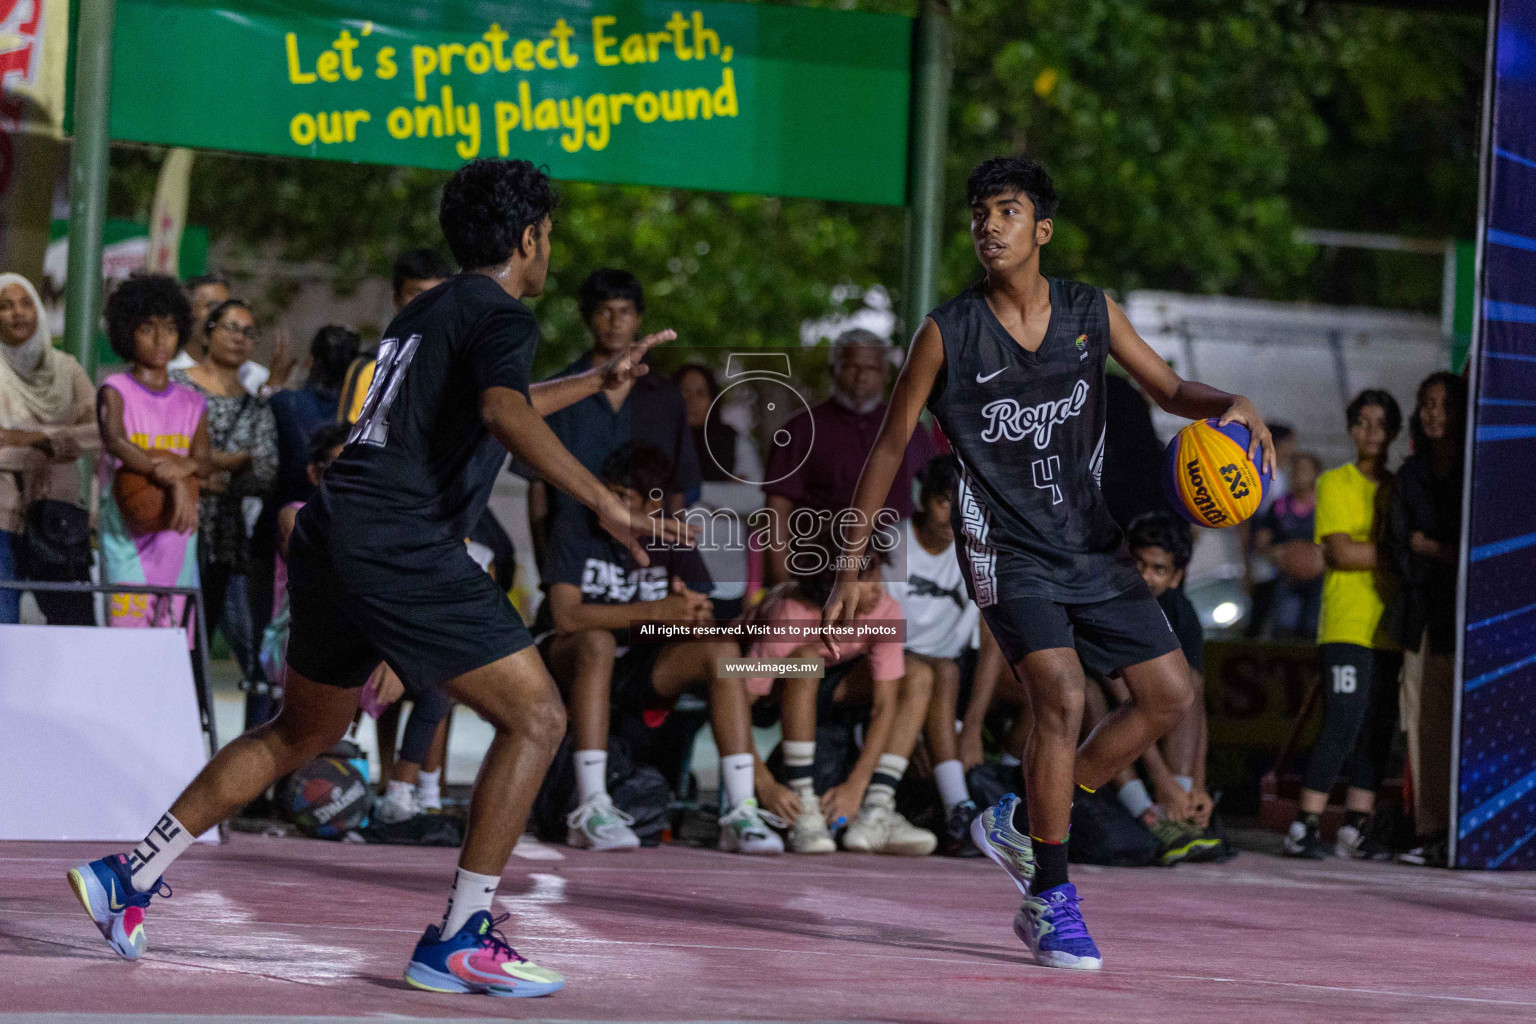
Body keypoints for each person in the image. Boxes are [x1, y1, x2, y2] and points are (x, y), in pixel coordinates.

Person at [67, 158, 685, 998]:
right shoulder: (503, 313)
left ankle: (128, 875)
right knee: (539, 716)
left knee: (299, 733)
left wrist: (593, 382)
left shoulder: (428, 309)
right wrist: (605, 505)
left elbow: (494, 400)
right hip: (399, 539)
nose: (549, 253)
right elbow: (503, 411)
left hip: (334, 531)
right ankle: (460, 936)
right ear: (529, 236)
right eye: (549, 237)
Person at [822, 156, 1274, 970]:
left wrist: (1226, 404)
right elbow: (890, 447)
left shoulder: (1088, 312)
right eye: (979, 214)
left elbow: (1169, 388)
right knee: (1061, 695)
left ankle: (1019, 822)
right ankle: (1052, 899)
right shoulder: (945, 333)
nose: (988, 226)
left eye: (1006, 210)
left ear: (1043, 229)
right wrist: (854, 563)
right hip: (1003, 546)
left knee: (1169, 695)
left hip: (1087, 537)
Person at [537, 442, 782, 854]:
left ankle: (741, 811)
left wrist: (690, 615)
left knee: (721, 653)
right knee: (596, 642)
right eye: (609, 494)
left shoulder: (673, 534)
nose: (611, 507)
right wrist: (654, 611)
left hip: (638, 665)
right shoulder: (577, 524)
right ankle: (591, 807)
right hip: (568, 660)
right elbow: (566, 617)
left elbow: (698, 615)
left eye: (624, 500)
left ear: (653, 507)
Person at [746, 539, 938, 856]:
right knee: (805, 661)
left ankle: (876, 809)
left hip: (836, 684)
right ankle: (802, 803)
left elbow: (884, 705)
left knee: (919, 674)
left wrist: (858, 784)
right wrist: (764, 783)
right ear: (834, 583)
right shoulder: (791, 613)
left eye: (878, 575)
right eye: (866, 579)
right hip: (776, 683)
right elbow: (733, 701)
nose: (878, 587)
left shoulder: (885, 609)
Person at [1283, 389, 1403, 861]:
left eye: (1380, 423)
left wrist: (1368, 551)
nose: (1371, 432)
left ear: (1394, 432)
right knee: (1342, 723)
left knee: (1378, 729)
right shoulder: (1335, 482)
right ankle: (1304, 824)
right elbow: (1338, 552)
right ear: (1351, 429)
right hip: (1346, 626)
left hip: (1390, 627)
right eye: (1362, 422)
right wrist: (1400, 553)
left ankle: (1356, 827)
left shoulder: (1399, 486)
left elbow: (1356, 550)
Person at [521, 268, 700, 566]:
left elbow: (677, 488)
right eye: (604, 311)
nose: (615, 323)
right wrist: (545, 563)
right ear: (588, 317)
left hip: (648, 559)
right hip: (575, 556)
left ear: (638, 318)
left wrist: (679, 559)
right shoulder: (557, 393)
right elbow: (537, 486)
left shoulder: (667, 398)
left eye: (624, 311)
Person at [172, 298, 280, 729]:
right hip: (177, 532)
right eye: (230, 327)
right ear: (208, 331)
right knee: (178, 644)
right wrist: (230, 461)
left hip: (227, 541)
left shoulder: (257, 404)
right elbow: (167, 451)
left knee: (256, 655)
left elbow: (267, 470)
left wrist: (206, 467)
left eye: (248, 331)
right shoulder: (178, 386)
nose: (239, 338)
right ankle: (178, 733)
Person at [761, 328, 936, 586]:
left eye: (872, 368)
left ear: (886, 374)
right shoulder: (800, 428)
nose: (861, 376)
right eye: (851, 366)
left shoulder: (910, 428)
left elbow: (938, 497)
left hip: (897, 572)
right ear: (834, 369)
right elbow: (777, 509)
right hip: (819, 571)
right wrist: (781, 581)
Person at [1099, 511, 1223, 865]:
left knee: (1187, 689)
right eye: (1138, 564)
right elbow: (1126, 703)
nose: (1145, 576)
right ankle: (1150, 817)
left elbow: (1196, 704)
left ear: (1176, 576)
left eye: (1158, 569)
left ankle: (1182, 812)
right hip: (1112, 722)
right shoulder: (1109, 607)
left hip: (1156, 727)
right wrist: (1163, 782)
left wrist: (1196, 786)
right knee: (1094, 702)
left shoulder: (1181, 613)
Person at [95, 274, 210, 632]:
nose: (161, 340)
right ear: (126, 331)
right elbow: (116, 441)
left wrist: (182, 471)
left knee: (171, 638)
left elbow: (203, 460)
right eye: (148, 329)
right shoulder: (115, 388)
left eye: (170, 329)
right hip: (128, 529)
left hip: (176, 528)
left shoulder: (193, 401)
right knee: (127, 637)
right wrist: (172, 477)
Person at [1384, 371, 1466, 868]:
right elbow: (1400, 546)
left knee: (1468, 723)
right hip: (1421, 616)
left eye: (1445, 405)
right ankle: (1432, 828)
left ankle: (1465, 825)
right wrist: (1439, 553)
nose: (1435, 413)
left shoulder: (1478, 472)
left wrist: (1432, 546)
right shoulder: (1411, 473)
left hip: (1470, 616)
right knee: (1422, 724)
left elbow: (1472, 552)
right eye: (1427, 404)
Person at [884, 454, 985, 856]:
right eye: (947, 501)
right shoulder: (892, 543)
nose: (955, 515)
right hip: (891, 665)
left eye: (966, 505)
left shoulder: (975, 556)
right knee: (934, 673)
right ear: (925, 498)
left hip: (947, 677)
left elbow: (984, 636)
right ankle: (958, 804)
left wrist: (971, 724)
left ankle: (961, 806)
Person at [0, 272, 99, 624]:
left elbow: (99, 431)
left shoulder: (66, 369)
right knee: (4, 619)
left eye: (26, 303)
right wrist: (58, 440)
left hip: (58, 514)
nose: (18, 313)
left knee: (73, 621)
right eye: (6, 306)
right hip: (2, 514)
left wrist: (25, 438)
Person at [338, 249, 455, 425]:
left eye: (437, 295)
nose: (427, 304)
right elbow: (347, 441)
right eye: (417, 294)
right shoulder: (371, 368)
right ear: (396, 299)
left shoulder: (461, 364)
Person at [171, 273, 292, 398]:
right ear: (188, 313)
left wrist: (269, 391)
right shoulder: (169, 372)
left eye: (228, 308)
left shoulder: (256, 376)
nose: (224, 316)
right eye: (214, 307)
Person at [1252, 451, 1324, 638]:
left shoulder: (1326, 506)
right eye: (1295, 469)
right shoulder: (1280, 506)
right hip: (1287, 580)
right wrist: (1276, 553)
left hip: (1319, 582)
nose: (1298, 474)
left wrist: (1318, 555)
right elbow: (1261, 542)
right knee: (1285, 626)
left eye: (1304, 470)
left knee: (1313, 629)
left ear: (1316, 473)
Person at [673, 362, 763, 484]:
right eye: (685, 392)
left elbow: (755, 492)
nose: (692, 401)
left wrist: (694, 492)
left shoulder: (735, 442)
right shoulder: (661, 440)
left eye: (701, 393)